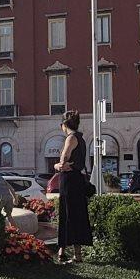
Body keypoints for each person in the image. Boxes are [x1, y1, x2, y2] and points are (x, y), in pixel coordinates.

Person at [54, 109, 93, 262]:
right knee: (76, 215)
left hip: (69, 181)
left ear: (64, 125)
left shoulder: (70, 138)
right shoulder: (81, 139)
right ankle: (72, 253)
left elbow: (63, 162)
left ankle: (65, 253)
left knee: (67, 214)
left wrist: (56, 166)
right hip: (77, 180)